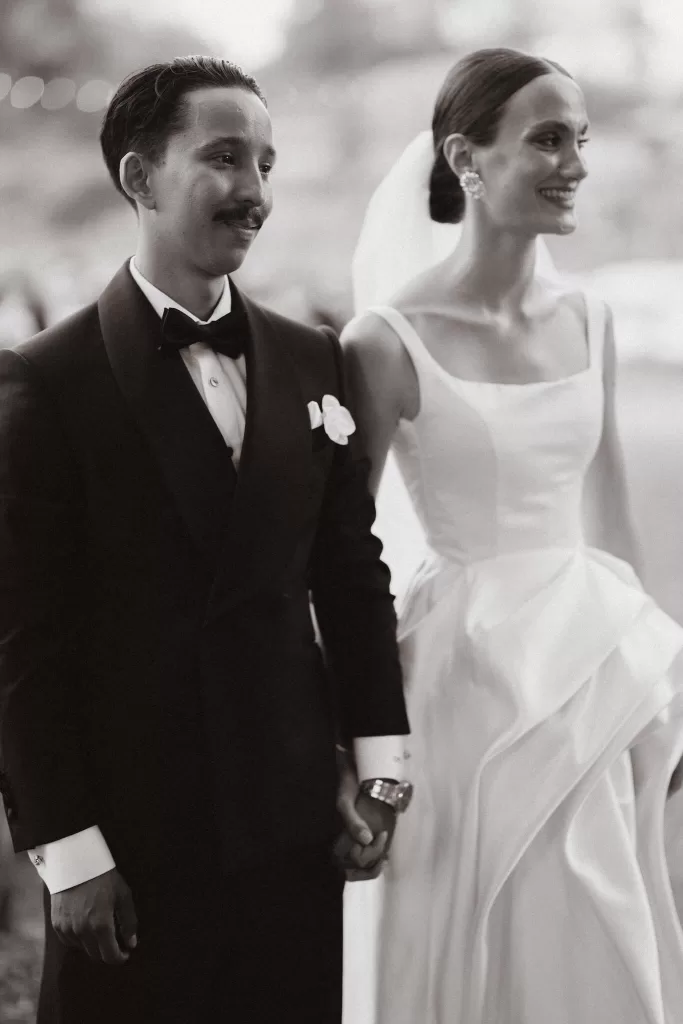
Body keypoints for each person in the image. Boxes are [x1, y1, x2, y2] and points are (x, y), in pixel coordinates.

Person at [0, 56, 412, 1024]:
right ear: (138, 179)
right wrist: (71, 855)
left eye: (266, 163)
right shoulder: (44, 382)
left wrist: (379, 767)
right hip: (137, 840)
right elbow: (22, 643)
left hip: (291, 818)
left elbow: (351, 578)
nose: (255, 192)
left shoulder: (313, 356)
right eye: (225, 158)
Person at [341, 47, 683, 1024]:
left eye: (578, 138)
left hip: (589, 678)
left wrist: (651, 686)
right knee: (482, 947)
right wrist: (356, 741)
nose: (573, 161)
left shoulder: (591, 317)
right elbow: (342, 550)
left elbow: (609, 516)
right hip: (458, 691)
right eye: (544, 139)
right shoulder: (383, 340)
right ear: (466, 158)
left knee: (602, 936)